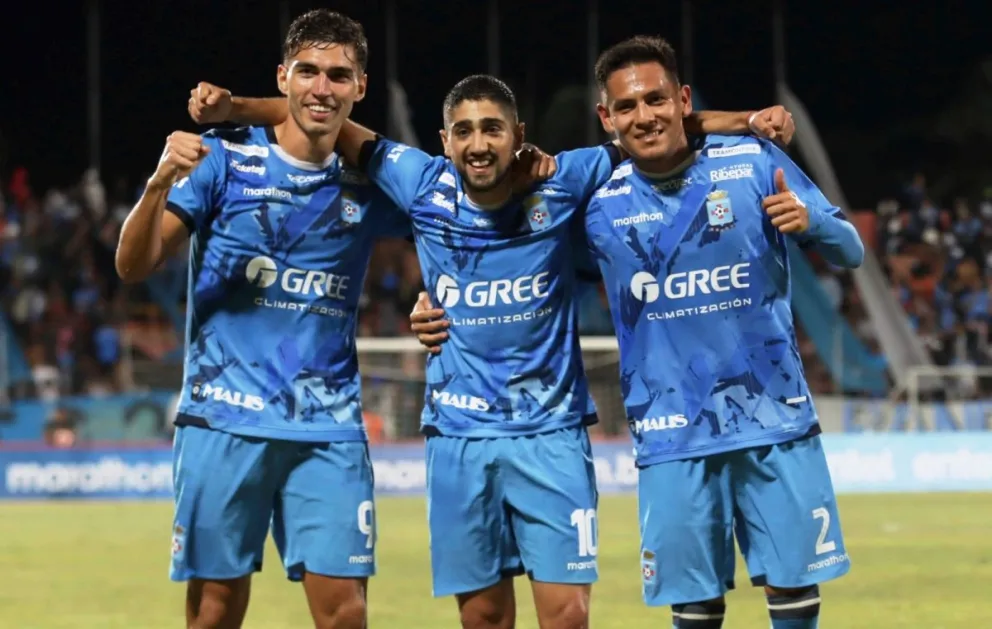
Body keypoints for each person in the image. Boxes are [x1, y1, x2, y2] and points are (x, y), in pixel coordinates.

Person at [191, 67, 794, 629]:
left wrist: (745, 122)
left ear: (518, 137)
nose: (479, 144)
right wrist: (235, 108)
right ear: (445, 142)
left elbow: (654, 129)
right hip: (458, 439)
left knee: (566, 617)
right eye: (464, 131)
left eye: (492, 129)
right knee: (482, 618)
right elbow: (322, 111)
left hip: (551, 435)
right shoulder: (420, 184)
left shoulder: (564, 178)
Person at [412, 36, 862, 629]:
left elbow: (849, 249)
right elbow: (515, 258)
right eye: (627, 107)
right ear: (607, 118)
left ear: (682, 100)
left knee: (794, 595)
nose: (644, 116)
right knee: (695, 608)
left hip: (773, 422)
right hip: (670, 437)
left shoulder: (752, 163)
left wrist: (810, 226)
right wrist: (439, 303)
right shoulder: (597, 199)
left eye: (655, 99)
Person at [116, 10, 415, 629]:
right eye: (307, 71)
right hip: (223, 420)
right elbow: (133, 263)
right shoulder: (224, 165)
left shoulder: (370, 185)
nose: (321, 88)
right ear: (284, 77)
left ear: (360, 87)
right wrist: (158, 182)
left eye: (339, 75)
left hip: (327, 427)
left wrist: (433, 295)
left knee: (345, 615)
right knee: (215, 613)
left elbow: (454, 228)